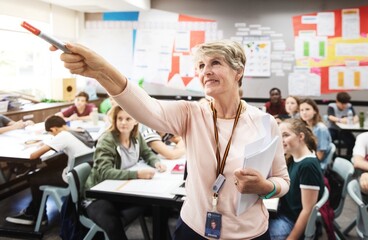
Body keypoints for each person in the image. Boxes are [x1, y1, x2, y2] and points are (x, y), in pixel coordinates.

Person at [54, 40, 290, 239]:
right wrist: (100, 71)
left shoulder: (265, 123)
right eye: (201, 65)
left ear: (239, 72)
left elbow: (283, 180)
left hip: (250, 233)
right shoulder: (192, 113)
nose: (205, 70)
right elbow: (145, 107)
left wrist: (266, 187)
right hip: (195, 228)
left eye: (215, 62)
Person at [83, 105, 167, 240]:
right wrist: (137, 174)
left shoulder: (136, 136)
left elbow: (147, 153)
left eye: (128, 119)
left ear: (136, 121)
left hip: (121, 190)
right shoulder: (107, 140)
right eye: (120, 118)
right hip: (98, 195)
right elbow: (105, 172)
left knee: (160, 205)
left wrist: (156, 162)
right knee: (112, 223)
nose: (123, 122)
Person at [5, 115, 94, 226]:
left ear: (54, 129)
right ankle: (32, 210)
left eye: (52, 134)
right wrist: (48, 143)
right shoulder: (81, 131)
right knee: (50, 167)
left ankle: (37, 216)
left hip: (72, 178)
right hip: (86, 174)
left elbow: (33, 156)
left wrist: (42, 145)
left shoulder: (63, 135)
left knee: (34, 178)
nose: (53, 136)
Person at [270, 118, 324, 240]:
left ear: (301, 136)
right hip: (282, 213)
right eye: (279, 135)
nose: (281, 140)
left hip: (291, 221)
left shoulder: (307, 166)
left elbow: (307, 210)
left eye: (286, 135)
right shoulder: (293, 157)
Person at [299, 98, 332, 169]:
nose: (304, 112)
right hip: (309, 160)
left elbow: (319, 156)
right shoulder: (306, 127)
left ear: (315, 111)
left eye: (307, 109)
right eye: (301, 110)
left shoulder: (321, 129)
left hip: (316, 165)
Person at [327, 91, 358, 159]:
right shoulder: (331, 106)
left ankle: (348, 157)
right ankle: (333, 158)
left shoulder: (349, 106)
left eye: (345, 104)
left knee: (352, 141)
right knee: (328, 140)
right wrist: (340, 120)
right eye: (342, 104)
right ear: (337, 101)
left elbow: (355, 116)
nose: (344, 106)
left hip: (345, 130)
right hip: (333, 129)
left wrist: (354, 120)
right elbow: (330, 117)